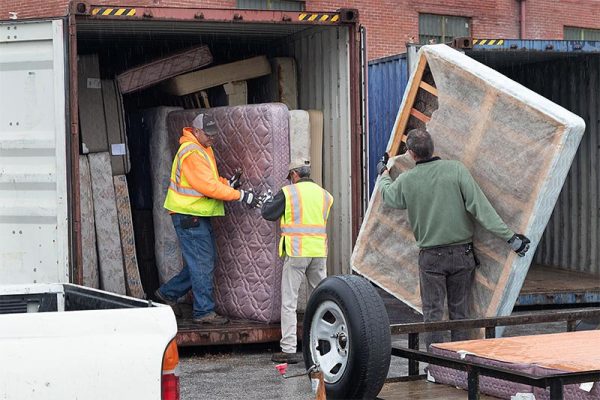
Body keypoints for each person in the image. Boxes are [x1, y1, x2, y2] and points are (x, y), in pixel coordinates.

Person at [377, 128, 531, 350]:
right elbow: (482, 209)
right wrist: (511, 239)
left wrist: (383, 172)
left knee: (433, 314)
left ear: (410, 153)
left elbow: (389, 196)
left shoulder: (407, 180)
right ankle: (460, 363)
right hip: (462, 256)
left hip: (431, 259)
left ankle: (437, 365)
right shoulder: (456, 170)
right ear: (433, 148)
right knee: (460, 313)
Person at [155, 113, 261, 325]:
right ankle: (204, 312)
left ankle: (167, 294)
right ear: (196, 131)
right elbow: (208, 187)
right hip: (190, 215)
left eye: (214, 134)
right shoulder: (192, 152)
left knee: (202, 262)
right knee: (202, 263)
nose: (213, 138)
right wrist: (242, 195)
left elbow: (211, 180)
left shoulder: (203, 148)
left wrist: (227, 184)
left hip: (195, 215)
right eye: (209, 134)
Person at [261, 159, 334, 364]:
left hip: (297, 252)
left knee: (290, 301)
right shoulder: (324, 195)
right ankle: (321, 345)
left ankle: (289, 349)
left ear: (294, 174)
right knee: (321, 300)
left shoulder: (289, 193)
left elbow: (268, 213)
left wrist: (266, 201)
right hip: (319, 252)